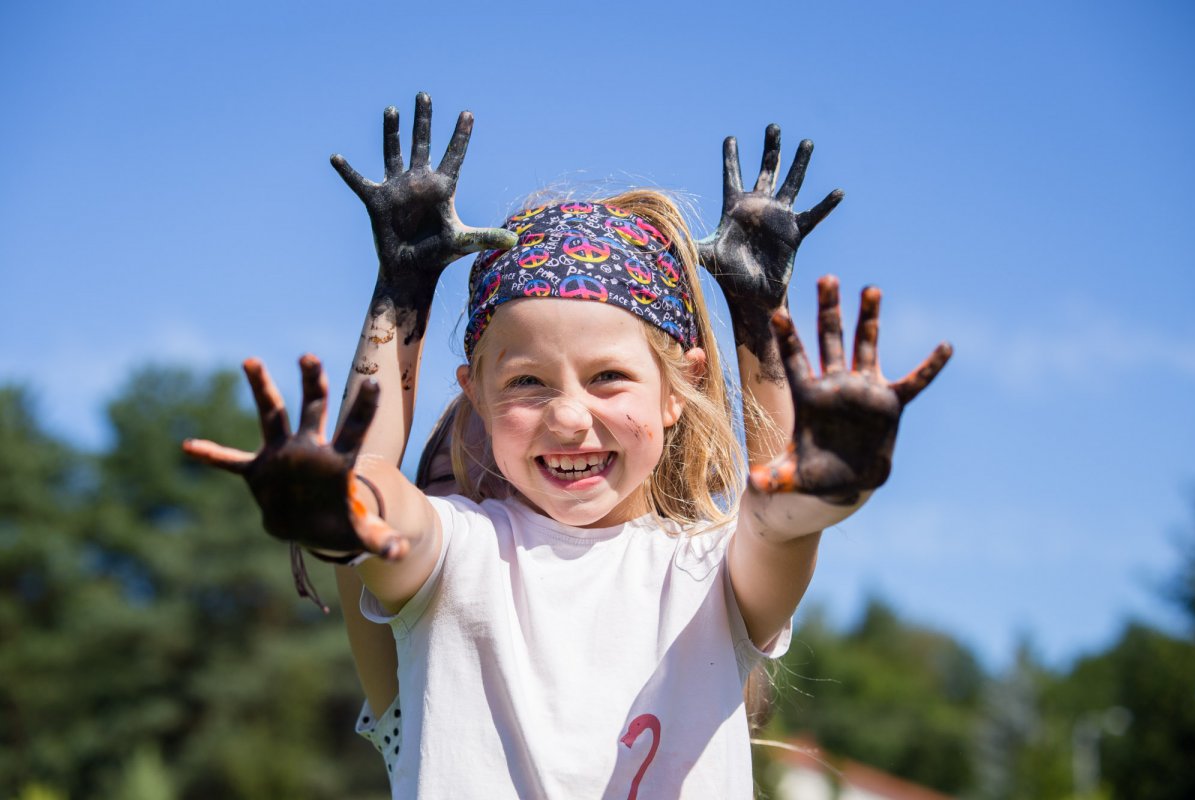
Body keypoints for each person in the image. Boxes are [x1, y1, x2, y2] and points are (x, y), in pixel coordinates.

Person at [183, 93, 951, 798]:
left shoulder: (705, 573)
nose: (570, 418)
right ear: (474, 395)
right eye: (527, 384)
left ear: (678, 389)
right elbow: (376, 495)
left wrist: (762, 325)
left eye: (609, 376)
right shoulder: (461, 558)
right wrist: (399, 297)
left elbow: (778, 510)